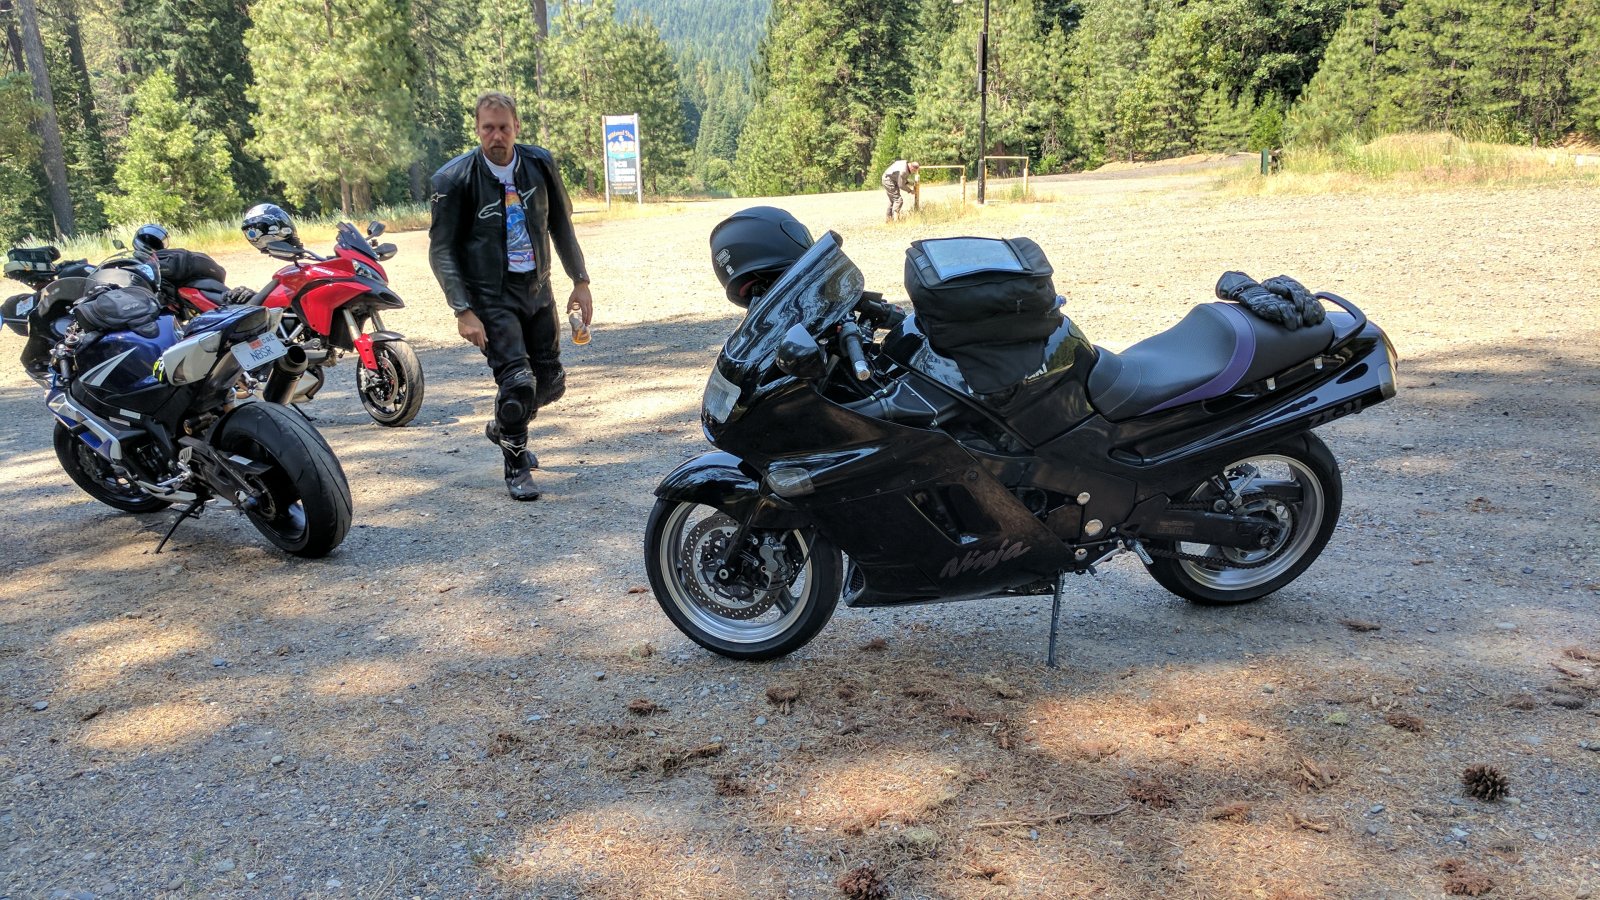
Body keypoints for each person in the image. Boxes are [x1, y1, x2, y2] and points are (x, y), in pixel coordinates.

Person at [428, 90, 594, 501]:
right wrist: (462, 310)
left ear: (517, 126)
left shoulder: (539, 164)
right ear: (477, 129)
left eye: (504, 127)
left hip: (538, 290)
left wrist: (580, 280)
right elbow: (441, 250)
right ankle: (516, 467)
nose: (496, 136)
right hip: (491, 297)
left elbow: (561, 224)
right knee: (518, 383)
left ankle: (505, 425)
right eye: (488, 128)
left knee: (550, 382)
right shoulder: (454, 180)